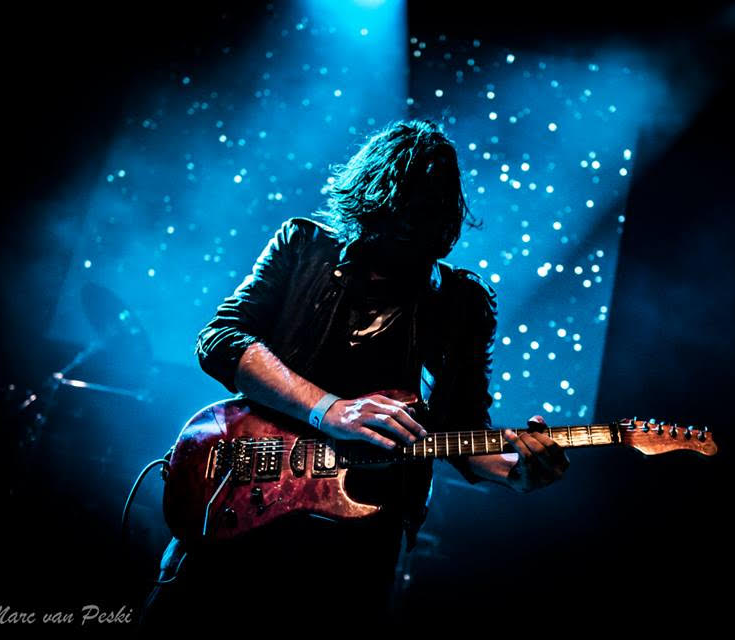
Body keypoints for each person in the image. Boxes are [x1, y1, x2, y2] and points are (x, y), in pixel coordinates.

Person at [138, 119, 569, 632]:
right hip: (243, 504)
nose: (406, 231)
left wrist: (516, 470)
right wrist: (331, 410)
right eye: (397, 212)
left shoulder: (461, 304)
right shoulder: (303, 246)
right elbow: (221, 340)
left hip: (356, 549)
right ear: (370, 200)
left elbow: (461, 429)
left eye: (424, 214)